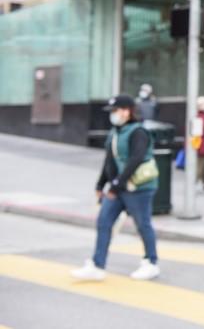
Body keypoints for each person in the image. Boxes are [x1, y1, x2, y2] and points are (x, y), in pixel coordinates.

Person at [71, 94, 160, 281]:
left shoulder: (139, 132)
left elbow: (135, 160)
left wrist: (116, 184)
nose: (113, 115)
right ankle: (97, 265)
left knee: (142, 224)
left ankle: (151, 263)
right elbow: (109, 160)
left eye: (115, 111)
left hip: (139, 188)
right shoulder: (115, 133)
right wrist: (101, 184)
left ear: (127, 111)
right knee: (104, 221)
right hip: (118, 188)